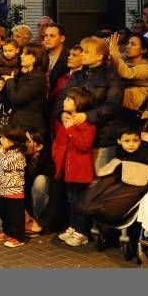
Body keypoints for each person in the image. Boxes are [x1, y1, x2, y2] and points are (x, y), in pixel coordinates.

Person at [72, 125, 148, 236]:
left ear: (140, 141)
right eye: (127, 141)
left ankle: (101, 210)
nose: (131, 144)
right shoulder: (120, 151)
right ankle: (87, 207)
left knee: (122, 196)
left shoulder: (147, 154)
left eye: (135, 141)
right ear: (119, 141)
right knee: (102, 186)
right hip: (121, 181)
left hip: (137, 181)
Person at [61, 36, 125, 171]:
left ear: (99, 56)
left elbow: (113, 106)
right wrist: (62, 114)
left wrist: (87, 115)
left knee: (97, 178)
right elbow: (62, 97)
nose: (81, 54)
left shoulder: (111, 76)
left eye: (86, 51)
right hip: (77, 134)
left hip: (102, 136)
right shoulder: (78, 75)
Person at [53, 87, 97, 247]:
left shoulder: (87, 124)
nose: (64, 102)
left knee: (80, 201)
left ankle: (82, 232)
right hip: (66, 168)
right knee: (71, 200)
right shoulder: (64, 120)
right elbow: (59, 142)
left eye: (68, 99)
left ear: (78, 102)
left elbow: (84, 145)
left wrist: (71, 129)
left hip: (80, 170)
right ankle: (72, 226)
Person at [0, 125, 28, 247]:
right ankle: (7, 232)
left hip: (14, 191)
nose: (1, 140)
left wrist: (0, 153)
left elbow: (6, 165)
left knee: (15, 216)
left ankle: (19, 237)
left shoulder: (18, 154)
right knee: (5, 214)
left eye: (4, 138)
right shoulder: (7, 152)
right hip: (4, 190)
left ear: (13, 141)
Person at [0, 42, 49, 133]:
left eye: (25, 54)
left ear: (35, 58)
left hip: (27, 126)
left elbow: (17, 98)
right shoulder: (28, 75)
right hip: (20, 122)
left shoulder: (38, 78)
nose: (21, 56)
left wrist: (10, 80)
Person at [109, 32, 148, 116]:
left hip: (136, 116)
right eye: (128, 43)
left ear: (143, 50)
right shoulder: (126, 63)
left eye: (133, 44)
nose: (127, 46)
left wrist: (114, 52)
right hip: (121, 111)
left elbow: (127, 73)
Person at [44, 24, 69, 101]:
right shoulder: (41, 55)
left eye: (52, 36)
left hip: (59, 100)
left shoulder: (69, 57)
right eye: (46, 36)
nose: (47, 39)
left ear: (62, 38)